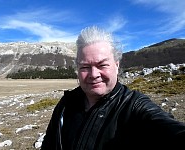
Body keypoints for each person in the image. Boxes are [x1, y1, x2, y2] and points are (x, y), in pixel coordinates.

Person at [41, 26, 185, 150]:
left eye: (102, 65)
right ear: (77, 69)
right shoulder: (66, 103)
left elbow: (167, 128)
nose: (93, 74)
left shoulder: (133, 106)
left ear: (116, 66)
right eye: (85, 67)